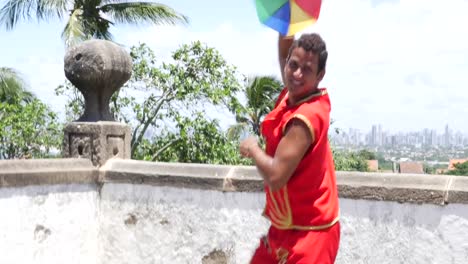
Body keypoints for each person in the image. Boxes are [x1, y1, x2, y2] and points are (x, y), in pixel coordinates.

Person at [240, 32, 340, 263]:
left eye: (307, 69)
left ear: (320, 76)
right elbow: (286, 49)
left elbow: (276, 176)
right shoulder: (292, 94)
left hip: (312, 233)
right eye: (293, 65)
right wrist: (289, 19)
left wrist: (254, 148)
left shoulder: (306, 117)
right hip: (284, 228)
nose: (297, 73)